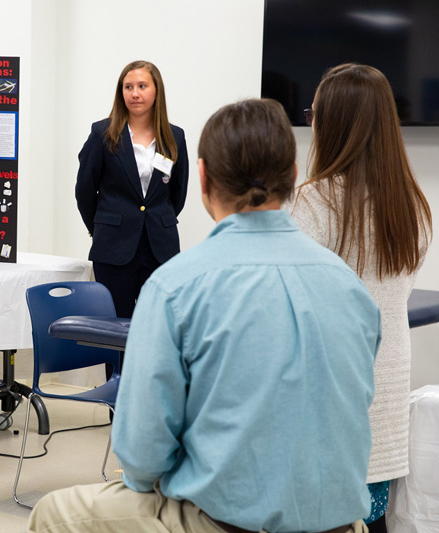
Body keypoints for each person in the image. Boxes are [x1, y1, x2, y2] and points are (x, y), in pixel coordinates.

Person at [28, 99, 381, 533]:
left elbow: (141, 457)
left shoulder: (176, 286)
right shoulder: (349, 286)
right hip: (343, 524)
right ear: (292, 176)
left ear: (203, 178)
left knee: (53, 513)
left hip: (225, 523)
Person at [290, 63, 433, 533]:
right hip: (385, 396)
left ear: (333, 123)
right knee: (366, 523)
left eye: (315, 112)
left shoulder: (312, 203)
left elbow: (292, 306)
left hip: (328, 401)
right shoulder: (411, 203)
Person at [76, 60, 188, 318]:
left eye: (142, 86)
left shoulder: (174, 136)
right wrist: (102, 227)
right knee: (114, 326)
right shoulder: (102, 133)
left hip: (160, 248)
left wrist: (159, 221)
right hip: (113, 247)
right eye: (128, 87)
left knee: (158, 323)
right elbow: (84, 191)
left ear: (156, 90)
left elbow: (178, 192)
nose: (134, 93)